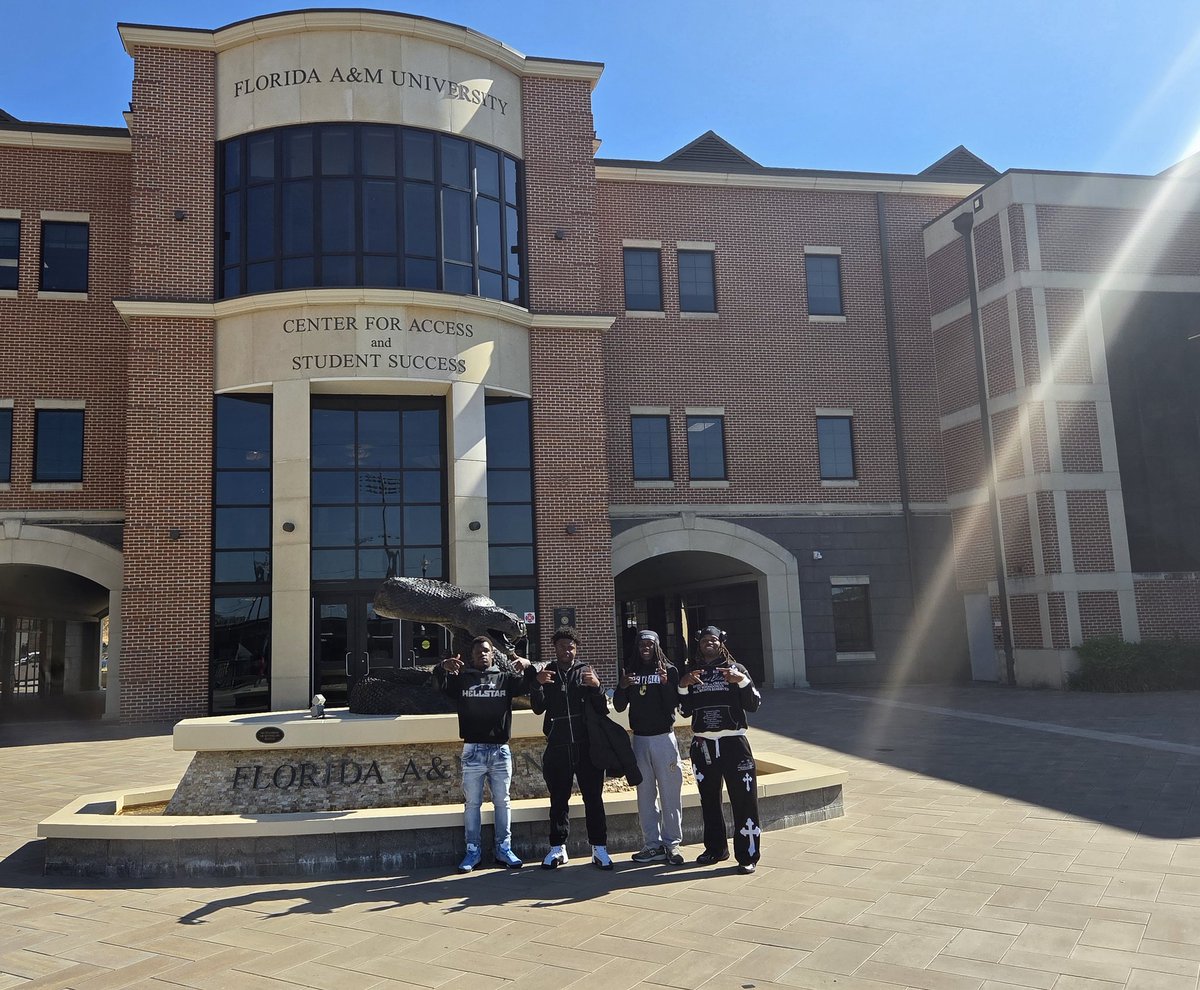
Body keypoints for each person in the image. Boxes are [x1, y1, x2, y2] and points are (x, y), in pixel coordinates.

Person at [437, 635, 533, 872]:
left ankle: (504, 849)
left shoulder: (505, 679)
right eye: (478, 651)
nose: (482, 654)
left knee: (503, 801)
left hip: (500, 750)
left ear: (493, 655)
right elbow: (439, 688)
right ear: (472, 656)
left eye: (486, 650)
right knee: (472, 803)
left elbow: (530, 685)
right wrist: (442, 668)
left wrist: (528, 665)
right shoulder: (462, 680)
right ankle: (473, 851)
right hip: (473, 750)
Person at [678, 626, 763, 874]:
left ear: (721, 643)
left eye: (714, 640)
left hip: (733, 744)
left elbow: (754, 703)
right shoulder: (693, 673)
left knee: (744, 800)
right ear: (699, 644)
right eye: (705, 640)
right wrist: (682, 685)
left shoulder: (736, 669)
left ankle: (747, 855)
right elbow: (684, 711)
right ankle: (716, 849)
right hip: (704, 745)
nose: (709, 643)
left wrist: (742, 682)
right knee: (709, 801)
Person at [530, 626, 614, 870]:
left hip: (587, 746)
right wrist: (536, 685)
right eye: (562, 647)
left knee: (593, 798)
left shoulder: (586, 671)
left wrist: (597, 686)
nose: (567, 651)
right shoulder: (548, 673)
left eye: (571, 647)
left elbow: (602, 708)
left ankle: (599, 848)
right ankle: (558, 847)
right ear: (555, 648)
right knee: (558, 799)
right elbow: (537, 708)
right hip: (558, 745)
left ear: (576, 649)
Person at [613, 629, 684, 865]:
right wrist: (622, 686)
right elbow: (619, 706)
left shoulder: (668, 670)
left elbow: (674, 704)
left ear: (657, 646)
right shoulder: (630, 671)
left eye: (650, 644)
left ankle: (672, 844)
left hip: (664, 737)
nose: (646, 648)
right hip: (640, 739)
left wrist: (665, 684)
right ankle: (652, 845)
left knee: (670, 793)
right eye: (642, 644)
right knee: (645, 795)